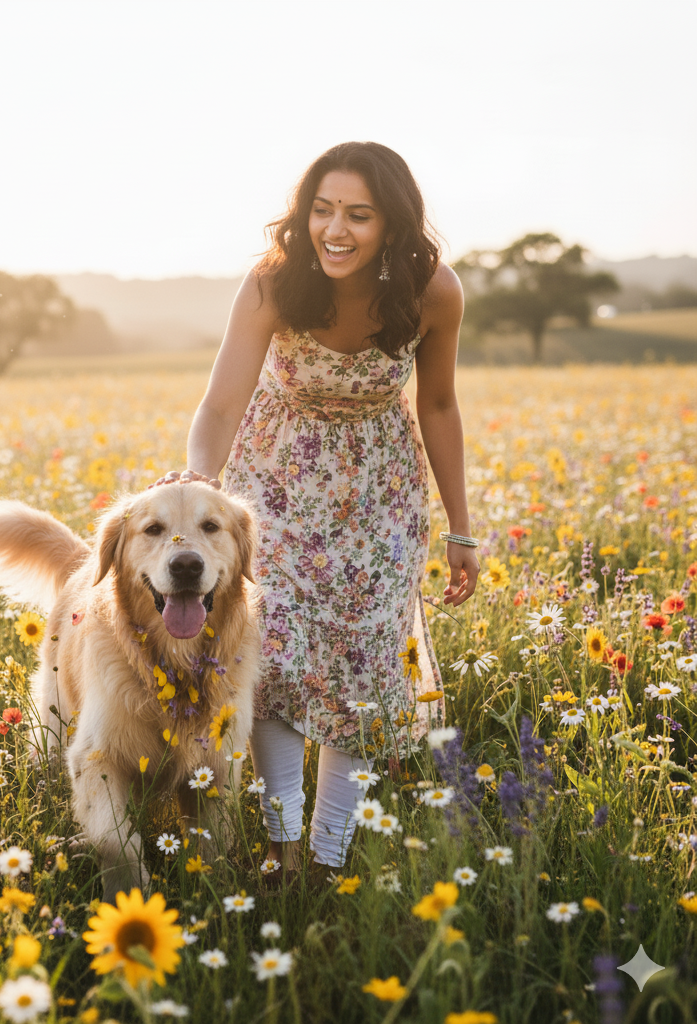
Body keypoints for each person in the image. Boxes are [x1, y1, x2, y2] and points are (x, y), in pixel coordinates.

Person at [163, 141, 478, 878]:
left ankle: (331, 853)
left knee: (364, 668)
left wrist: (461, 527)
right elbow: (219, 403)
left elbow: (437, 404)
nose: (335, 230)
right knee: (272, 659)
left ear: (393, 225)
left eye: (358, 215)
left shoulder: (435, 291)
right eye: (323, 210)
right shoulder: (274, 283)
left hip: (381, 493)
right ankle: (282, 845)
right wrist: (199, 478)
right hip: (275, 482)